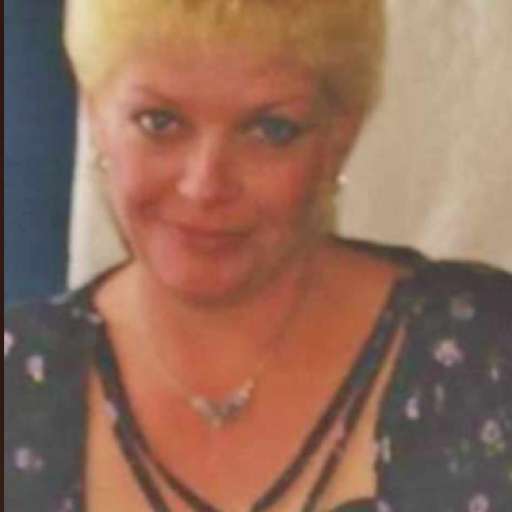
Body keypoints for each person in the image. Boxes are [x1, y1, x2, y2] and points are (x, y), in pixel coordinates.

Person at [4, 1, 511, 511]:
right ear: (96, 118)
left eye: (270, 130)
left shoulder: (488, 351)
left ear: (340, 137)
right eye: (160, 122)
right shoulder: (17, 383)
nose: (205, 185)